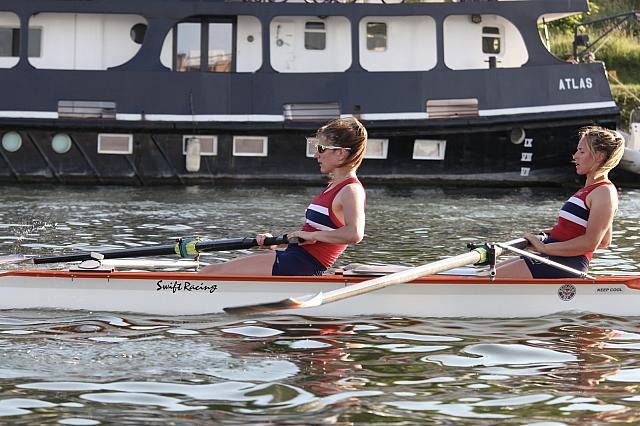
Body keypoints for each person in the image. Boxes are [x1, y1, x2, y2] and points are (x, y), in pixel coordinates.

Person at [199, 117, 368, 276]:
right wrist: (277, 242)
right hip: (294, 255)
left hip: (302, 264)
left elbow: (354, 234)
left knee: (211, 272)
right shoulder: (333, 186)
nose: (316, 155)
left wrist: (311, 236)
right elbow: (312, 234)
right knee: (210, 270)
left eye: (321, 149)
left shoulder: (350, 190)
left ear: (341, 154)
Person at [496, 126, 625, 278]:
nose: (575, 156)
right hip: (554, 259)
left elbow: (591, 243)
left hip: (564, 264)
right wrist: (556, 232)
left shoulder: (604, 192)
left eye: (581, 151)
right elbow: (604, 241)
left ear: (600, 156)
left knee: (486, 278)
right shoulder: (589, 189)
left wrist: (543, 248)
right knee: (484, 273)